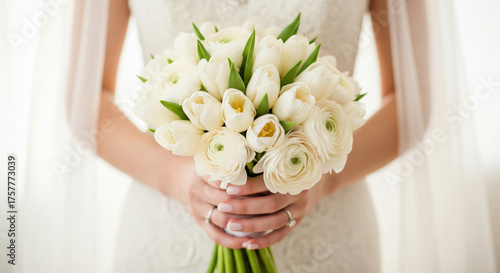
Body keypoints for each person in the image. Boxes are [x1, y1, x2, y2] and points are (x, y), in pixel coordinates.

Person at [101, 0, 396, 272]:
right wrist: (173, 177)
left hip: (328, 236)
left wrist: (321, 181)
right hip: (165, 234)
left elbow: (410, 99)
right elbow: (88, 98)